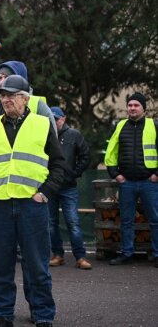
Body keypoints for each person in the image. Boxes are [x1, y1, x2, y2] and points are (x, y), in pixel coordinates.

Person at [0, 61, 56, 320]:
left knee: (35, 263)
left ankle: (42, 313)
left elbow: (55, 158)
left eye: (8, 80)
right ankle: (0, 310)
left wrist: (44, 191)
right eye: (0, 80)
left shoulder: (40, 113)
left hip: (31, 201)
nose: (2, 86)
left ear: (24, 95)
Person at [104, 92, 158, 267]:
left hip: (149, 182)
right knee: (126, 220)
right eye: (130, 105)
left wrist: (156, 174)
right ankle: (127, 253)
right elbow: (111, 152)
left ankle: (157, 254)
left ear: (144, 108)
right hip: (126, 182)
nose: (132, 108)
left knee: (155, 219)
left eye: (136, 105)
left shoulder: (154, 125)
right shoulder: (120, 126)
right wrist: (115, 174)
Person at [47, 106, 92, 270]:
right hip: (50, 187)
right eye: (51, 119)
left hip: (68, 187)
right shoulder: (46, 135)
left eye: (56, 118)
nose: (54, 121)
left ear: (63, 118)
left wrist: (75, 173)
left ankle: (80, 257)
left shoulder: (74, 135)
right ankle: (58, 255)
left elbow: (86, 155)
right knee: (51, 224)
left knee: (73, 222)